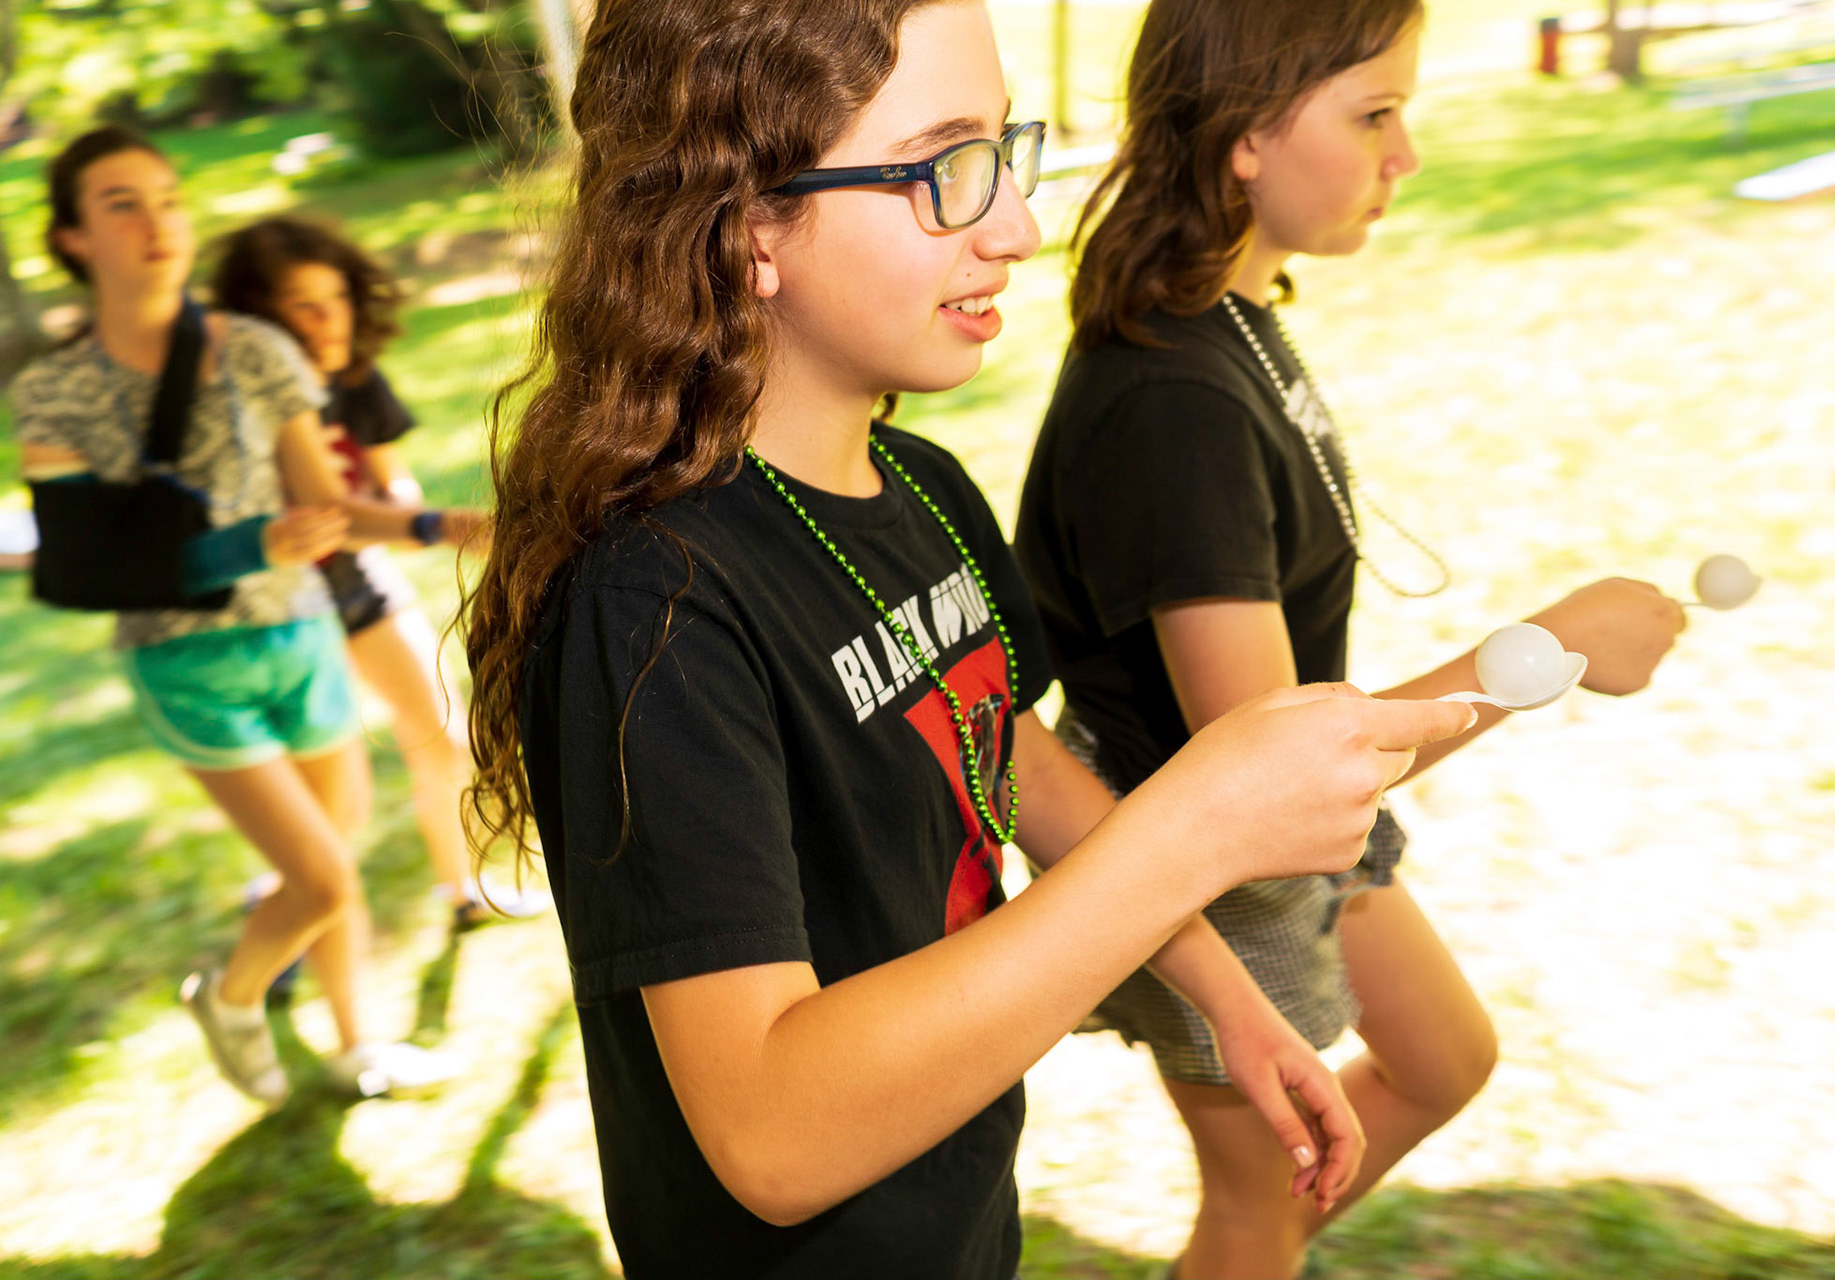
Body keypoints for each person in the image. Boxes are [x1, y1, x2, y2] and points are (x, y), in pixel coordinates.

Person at [458, 0, 1477, 1276]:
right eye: (947, 171)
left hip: (954, 1212)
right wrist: (1192, 830)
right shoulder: (655, 603)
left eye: (1006, 151)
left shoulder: (924, 486)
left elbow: (1015, 755)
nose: (1018, 226)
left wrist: (1231, 993)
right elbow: (771, 1137)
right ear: (750, 219)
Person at [1013, 3, 1689, 1276]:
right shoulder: (1169, 403)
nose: (1406, 153)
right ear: (1248, 135)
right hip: (1198, 856)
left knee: (1443, 1056)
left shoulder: (1232, 315)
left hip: (1299, 815)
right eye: (1375, 112)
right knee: (1259, 1198)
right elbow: (1258, 766)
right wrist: (1543, 650)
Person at [10, 126, 453, 1102]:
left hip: (303, 637)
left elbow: (325, 510)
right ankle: (230, 991)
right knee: (323, 879)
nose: (157, 219)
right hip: (187, 664)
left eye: (167, 197)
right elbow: (90, 565)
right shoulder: (54, 392)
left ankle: (358, 1044)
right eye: (121, 202)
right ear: (74, 237)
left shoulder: (254, 348)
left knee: (334, 861)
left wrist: (450, 521)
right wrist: (247, 546)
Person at [210, 216, 543, 931]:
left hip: (360, 586)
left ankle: (460, 893)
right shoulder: (237, 400)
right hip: (282, 607)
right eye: (303, 304)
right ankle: (285, 921)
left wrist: (420, 518)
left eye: (337, 298)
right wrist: (424, 526)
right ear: (258, 316)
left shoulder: (358, 380)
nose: (329, 320)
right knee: (322, 804)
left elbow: (392, 485)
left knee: (442, 737)